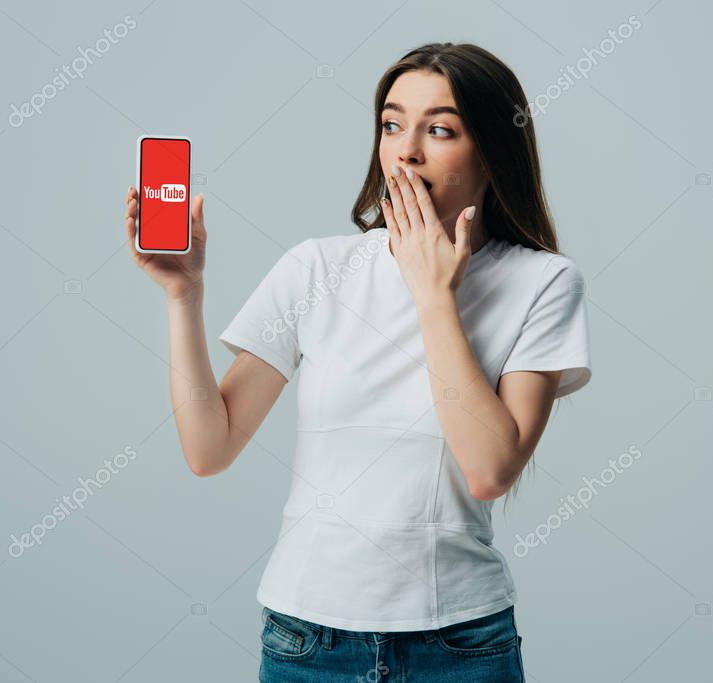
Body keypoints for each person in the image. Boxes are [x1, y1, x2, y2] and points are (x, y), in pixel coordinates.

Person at [124, 41, 592, 683]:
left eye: (440, 130)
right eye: (392, 124)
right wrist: (184, 295)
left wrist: (433, 295)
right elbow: (210, 449)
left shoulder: (543, 282)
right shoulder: (318, 268)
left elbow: (489, 469)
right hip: (308, 642)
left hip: (459, 645)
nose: (407, 150)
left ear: (490, 151)